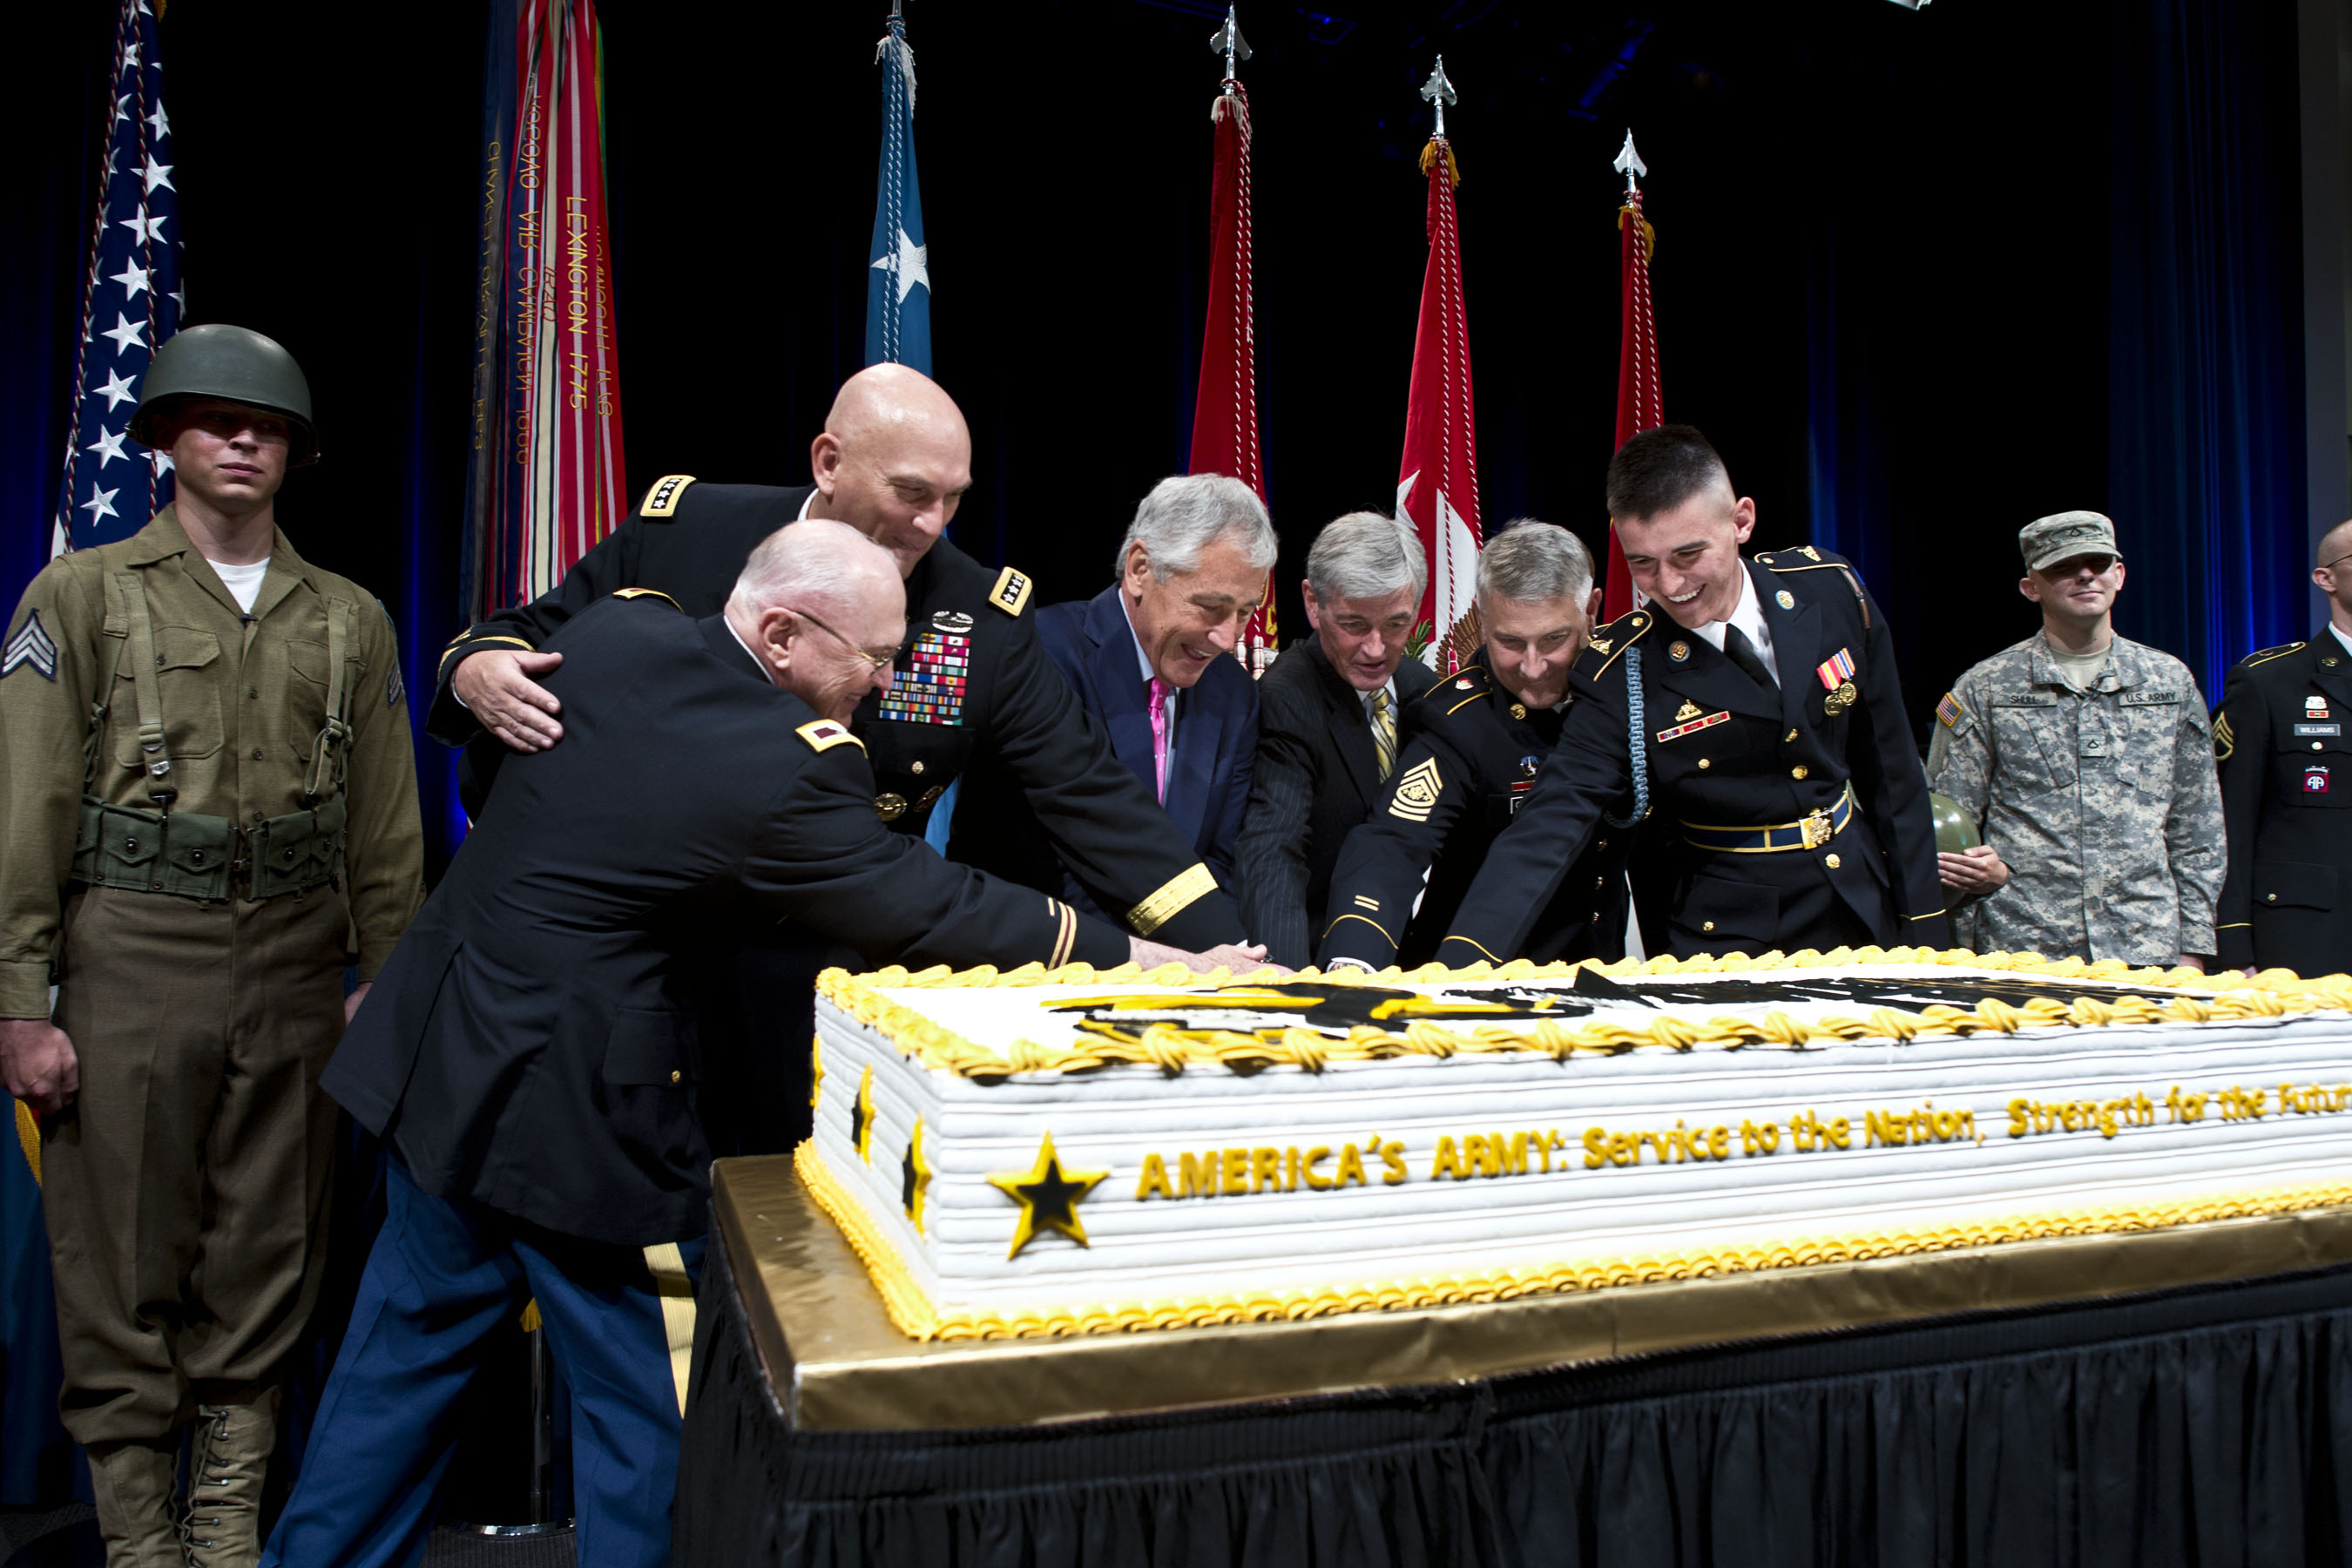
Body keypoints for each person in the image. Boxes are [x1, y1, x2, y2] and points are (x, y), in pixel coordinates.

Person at [262, 523, 1260, 1568]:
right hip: (588, 1130)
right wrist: (1150, 960)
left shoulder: (616, 634)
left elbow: (492, 784)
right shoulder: (789, 766)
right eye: (873, 658)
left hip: (445, 1070)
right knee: (656, 1429)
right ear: (782, 635)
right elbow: (930, 905)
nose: (886, 685)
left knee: (388, 1389)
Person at [0, 324, 424, 1566]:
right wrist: (20, 999)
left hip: (295, 963)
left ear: (295, 451)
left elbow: (385, 826)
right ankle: (139, 1536)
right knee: (119, 1248)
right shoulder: (81, 596)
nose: (244, 441)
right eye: (217, 421)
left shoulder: (346, 616)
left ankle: (226, 1524)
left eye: (269, 427)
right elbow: (27, 806)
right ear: (165, 439)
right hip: (132, 953)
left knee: (269, 1244)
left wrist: (387, 982)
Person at [430, 364, 1245, 956]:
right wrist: (475, 671)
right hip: (639, 939)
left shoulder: (982, 616)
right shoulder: (685, 533)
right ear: (828, 462)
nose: (933, 524)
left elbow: (1091, 797)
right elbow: (529, 634)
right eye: (911, 493)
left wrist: (1234, 959)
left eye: (954, 498)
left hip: (820, 949)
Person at [1435, 426, 1948, 963]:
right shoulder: (1623, 669)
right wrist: (1463, 962)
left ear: (1741, 521)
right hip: (1729, 939)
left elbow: (1893, 776)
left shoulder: (1832, 589)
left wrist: (1927, 933)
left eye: (1688, 554)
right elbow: (1552, 818)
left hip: (1863, 905)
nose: (1669, 584)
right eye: (1642, 563)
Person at [953, 475, 1274, 924]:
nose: (1227, 638)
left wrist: (1210, 950)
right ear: (1140, 569)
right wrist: (1155, 954)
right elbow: (1036, 860)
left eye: (1244, 612)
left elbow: (1223, 862)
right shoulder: (1040, 654)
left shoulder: (1234, 690)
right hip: (1037, 946)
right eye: (1210, 607)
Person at [1318, 521, 1633, 970]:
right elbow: (1393, 843)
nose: (1532, 667)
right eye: (1510, 642)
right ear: (1482, 620)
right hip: (1464, 979)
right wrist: (1354, 961)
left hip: (1600, 975)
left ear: (1592, 610)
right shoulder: (1458, 722)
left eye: (1553, 639)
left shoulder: (1623, 693)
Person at [1927, 510, 2222, 968]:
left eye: (2098, 563)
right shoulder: (1988, 687)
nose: (2085, 575)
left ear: (2119, 575)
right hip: (2023, 942)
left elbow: (2198, 825)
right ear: (2031, 588)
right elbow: (1951, 824)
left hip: (2146, 940)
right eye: (2063, 567)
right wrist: (1971, 911)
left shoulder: (2168, 682)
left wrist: (2194, 946)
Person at [1232, 511, 1436, 967]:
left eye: (1396, 624)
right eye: (1355, 625)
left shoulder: (1424, 687)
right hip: (1319, 958)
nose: (1376, 649)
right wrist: (1288, 980)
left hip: (1419, 961)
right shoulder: (1288, 698)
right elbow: (1273, 851)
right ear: (1312, 602)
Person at [2211, 517, 2352, 976]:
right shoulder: (2270, 682)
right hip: (2309, 937)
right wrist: (2233, 944)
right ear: (2325, 578)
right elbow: (2230, 824)